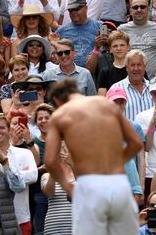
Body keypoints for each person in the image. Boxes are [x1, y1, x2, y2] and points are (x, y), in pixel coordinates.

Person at [45, 78, 143, 235]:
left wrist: (67, 186)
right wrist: (117, 162)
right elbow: (136, 143)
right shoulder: (108, 105)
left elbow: (50, 161)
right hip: (119, 183)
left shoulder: (60, 115)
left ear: (56, 101)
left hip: (89, 185)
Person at [6, 110, 38, 234]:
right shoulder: (3, 147)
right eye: (14, 123)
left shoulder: (30, 146)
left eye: (21, 123)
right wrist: (13, 142)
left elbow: (36, 166)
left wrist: (28, 139)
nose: (18, 126)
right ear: (8, 128)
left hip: (27, 199)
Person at [56, 0, 100, 68]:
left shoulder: (99, 26)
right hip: (68, 74)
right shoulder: (61, 31)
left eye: (76, 9)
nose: (73, 12)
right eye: (70, 10)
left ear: (86, 8)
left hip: (94, 72)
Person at [29, 103, 53, 233]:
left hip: (62, 194)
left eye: (47, 118)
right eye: (40, 118)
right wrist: (41, 169)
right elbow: (29, 171)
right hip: (40, 195)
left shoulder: (63, 141)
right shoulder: (33, 143)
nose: (43, 121)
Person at [110, 49, 153, 121]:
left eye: (139, 65)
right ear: (126, 67)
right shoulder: (116, 88)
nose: (136, 69)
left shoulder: (154, 88)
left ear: (145, 66)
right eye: (132, 65)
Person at [41, 143, 73, 235]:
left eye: (64, 148)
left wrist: (72, 164)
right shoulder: (46, 175)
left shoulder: (80, 174)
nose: (61, 152)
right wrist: (54, 168)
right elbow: (49, 193)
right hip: (54, 228)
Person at [97, 30, 129, 95]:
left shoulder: (136, 68)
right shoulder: (105, 72)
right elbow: (102, 98)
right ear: (110, 49)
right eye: (115, 46)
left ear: (128, 47)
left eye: (122, 45)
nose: (119, 48)